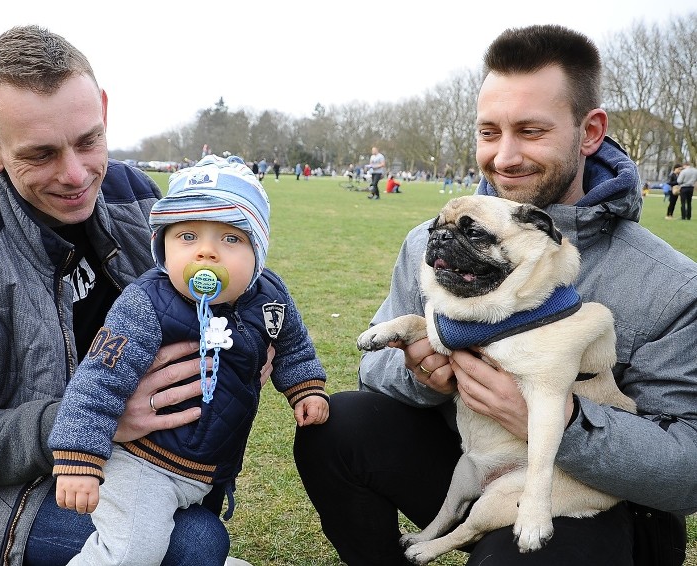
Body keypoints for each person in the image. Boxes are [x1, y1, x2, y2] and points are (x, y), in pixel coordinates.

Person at [294, 24, 697, 566]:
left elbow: (687, 470)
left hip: (599, 501)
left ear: (590, 130)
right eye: (489, 132)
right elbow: (374, 373)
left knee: (530, 555)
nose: (504, 156)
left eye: (531, 131)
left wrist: (559, 420)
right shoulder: (431, 240)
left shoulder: (670, 284)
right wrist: (421, 373)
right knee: (339, 428)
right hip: (471, 456)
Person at [0, 25, 260, 566]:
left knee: (193, 537)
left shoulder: (140, 202)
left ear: (102, 109)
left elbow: (204, 293)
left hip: (129, 461)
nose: (76, 175)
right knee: (194, 544)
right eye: (41, 154)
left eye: (88, 141)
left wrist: (244, 337)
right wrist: (94, 419)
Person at [49, 154, 330, 565]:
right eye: (187, 237)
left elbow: (293, 343)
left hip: (206, 467)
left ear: (258, 251)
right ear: (161, 245)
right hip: (143, 466)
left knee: (197, 549)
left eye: (230, 239)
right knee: (129, 553)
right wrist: (79, 458)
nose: (207, 253)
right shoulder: (146, 304)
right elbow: (98, 381)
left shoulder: (270, 295)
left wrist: (305, 386)